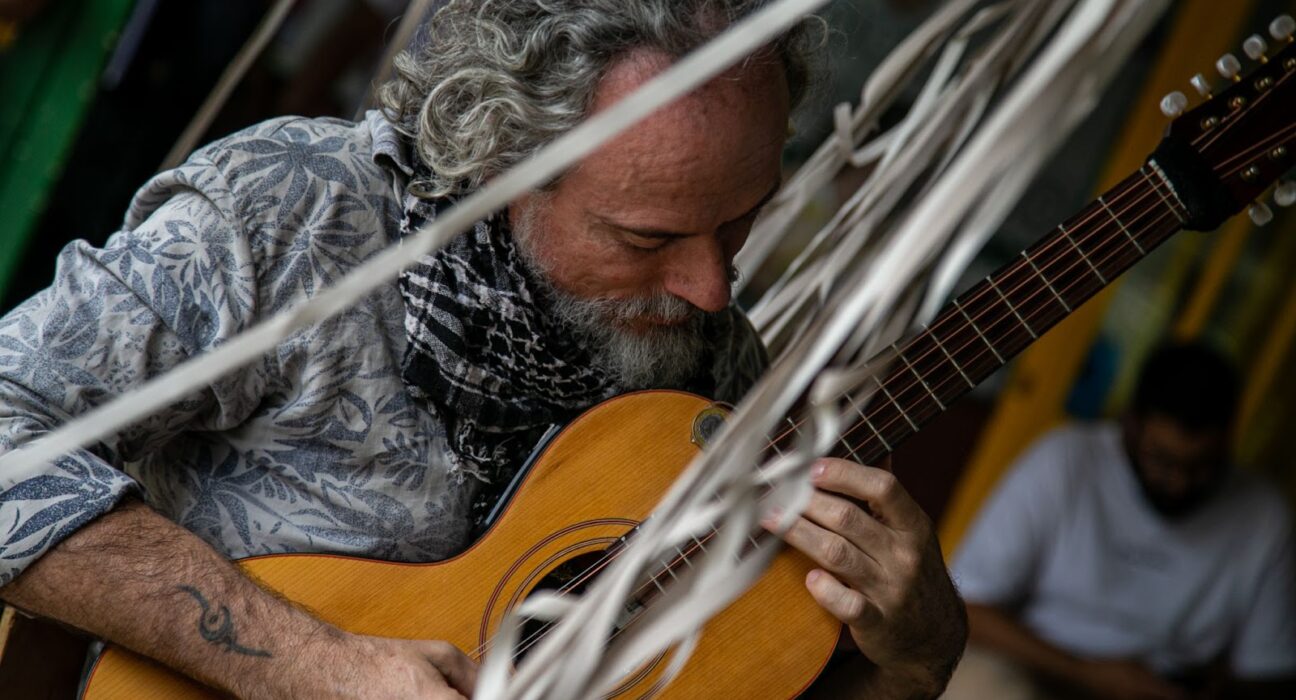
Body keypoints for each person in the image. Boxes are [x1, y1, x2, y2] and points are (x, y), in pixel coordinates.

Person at [0, 1, 966, 698]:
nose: (711, 289)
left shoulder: (716, 379)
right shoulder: (294, 215)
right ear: (502, 160)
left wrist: (914, 661)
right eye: (646, 239)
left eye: (739, 225)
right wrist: (313, 665)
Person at [946, 342, 1296, 700]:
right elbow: (967, 608)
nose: (1178, 482)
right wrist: (1087, 674)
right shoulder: (1066, 461)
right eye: (1162, 461)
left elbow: (1267, 673)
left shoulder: (1265, 516)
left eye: (1200, 468)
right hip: (1033, 671)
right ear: (1130, 426)